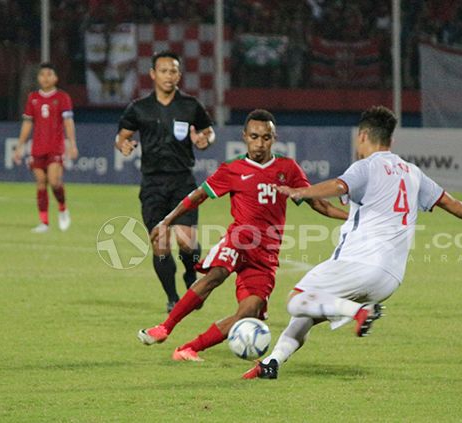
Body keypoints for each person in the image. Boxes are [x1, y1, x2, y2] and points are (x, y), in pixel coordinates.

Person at [243, 106, 462, 379]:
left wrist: (301, 191)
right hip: (390, 278)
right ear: (391, 141)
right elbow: (449, 202)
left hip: (359, 264)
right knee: (309, 313)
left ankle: (359, 311)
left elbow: (339, 186)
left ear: (362, 136)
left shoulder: (366, 166)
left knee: (296, 301)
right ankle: (272, 363)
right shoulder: (413, 172)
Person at [137, 109, 349, 362]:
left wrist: (353, 217)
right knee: (215, 275)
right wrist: (167, 221)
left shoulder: (287, 168)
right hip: (238, 240)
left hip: (266, 255)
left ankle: (188, 349)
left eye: (266, 137)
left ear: (274, 137)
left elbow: (320, 205)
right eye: (254, 136)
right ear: (244, 137)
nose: (260, 143)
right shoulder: (233, 169)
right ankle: (165, 327)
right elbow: (198, 196)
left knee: (247, 315)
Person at [115, 51, 215, 312]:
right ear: (152, 75)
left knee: (186, 241)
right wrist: (123, 145)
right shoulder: (139, 108)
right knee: (160, 242)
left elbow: (208, 130)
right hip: (152, 184)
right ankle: (172, 298)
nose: (169, 76)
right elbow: (122, 136)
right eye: (163, 71)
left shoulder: (190, 105)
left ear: (179, 75)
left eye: (173, 71)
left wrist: (205, 140)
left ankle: (191, 275)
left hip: (183, 181)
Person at [14, 63, 77, 233]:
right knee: (41, 183)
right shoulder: (33, 98)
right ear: (38, 78)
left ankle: (63, 209)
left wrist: (72, 143)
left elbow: (68, 122)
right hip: (37, 148)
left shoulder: (62, 97)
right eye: (42, 74)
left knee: (55, 181)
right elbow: (27, 123)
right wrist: (19, 146)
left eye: (49, 74)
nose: (45, 78)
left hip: (55, 147)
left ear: (55, 78)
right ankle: (44, 223)